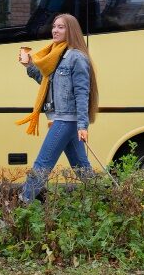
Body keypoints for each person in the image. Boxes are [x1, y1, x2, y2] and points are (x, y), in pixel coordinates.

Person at [16, 13, 99, 202]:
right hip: (61, 118)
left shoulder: (76, 58)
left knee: (42, 163)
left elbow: (82, 93)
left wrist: (82, 126)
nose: (55, 30)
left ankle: (21, 203)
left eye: (61, 27)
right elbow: (48, 84)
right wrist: (29, 65)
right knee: (81, 166)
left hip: (66, 119)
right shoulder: (57, 55)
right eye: (54, 26)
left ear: (71, 30)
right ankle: (103, 200)